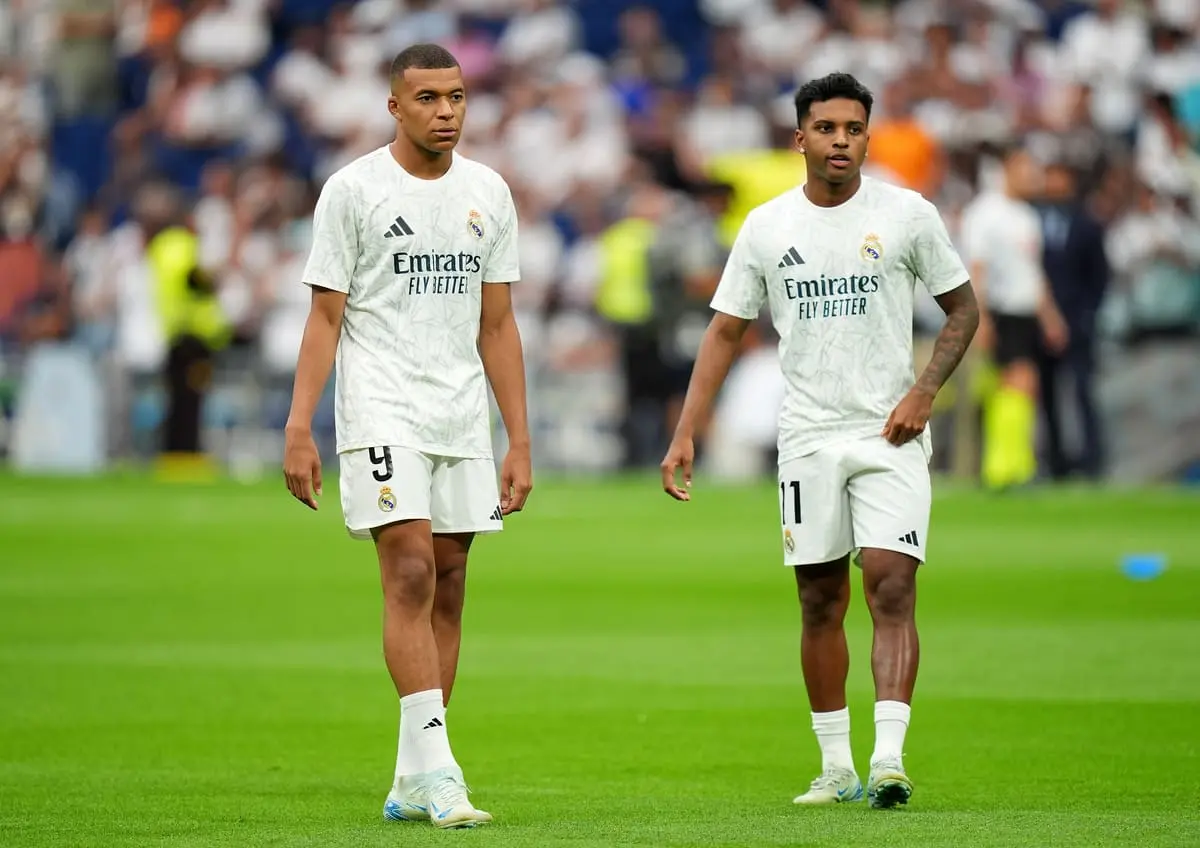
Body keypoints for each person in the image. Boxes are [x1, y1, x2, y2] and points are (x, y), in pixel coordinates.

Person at [660, 72, 979, 809]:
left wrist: (923, 391)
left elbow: (961, 310)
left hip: (888, 433)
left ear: (867, 135)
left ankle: (889, 759)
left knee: (892, 585)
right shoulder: (768, 227)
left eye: (854, 129)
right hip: (807, 436)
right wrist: (686, 430)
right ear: (799, 136)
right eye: (827, 128)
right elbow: (725, 331)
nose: (841, 140)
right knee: (818, 601)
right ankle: (835, 768)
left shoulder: (906, 213)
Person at [282, 43, 532, 829]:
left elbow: (498, 325)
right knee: (412, 572)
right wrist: (299, 425)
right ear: (395, 106)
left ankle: (410, 777)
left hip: (460, 415)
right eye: (427, 98)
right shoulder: (353, 190)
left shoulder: (488, 192)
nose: (446, 110)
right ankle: (444, 771)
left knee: (450, 583)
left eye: (455, 96)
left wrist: (518, 438)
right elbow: (324, 317)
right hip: (383, 407)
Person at [960, 147, 1068, 490]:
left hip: (1026, 312)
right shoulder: (985, 213)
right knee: (1017, 382)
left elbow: (1032, 272)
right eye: (1026, 169)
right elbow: (977, 268)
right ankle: (1005, 469)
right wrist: (982, 319)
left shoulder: (1027, 216)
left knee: (1021, 386)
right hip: (1002, 310)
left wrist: (1050, 316)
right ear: (1007, 170)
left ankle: (1012, 465)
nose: (1033, 178)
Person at [1033, 159, 1110, 480]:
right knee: (1047, 395)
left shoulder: (1086, 223)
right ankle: (1056, 461)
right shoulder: (1032, 220)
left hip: (1077, 322)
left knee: (1082, 391)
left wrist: (1087, 312)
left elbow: (1100, 274)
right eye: (1050, 177)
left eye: (1060, 178)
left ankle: (1092, 460)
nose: (1054, 185)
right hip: (1040, 323)